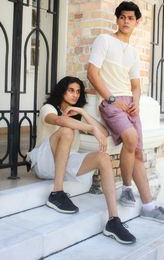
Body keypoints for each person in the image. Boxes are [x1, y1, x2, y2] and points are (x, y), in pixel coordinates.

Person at [87, 1, 164, 224]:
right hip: (111, 102)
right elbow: (92, 74)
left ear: (137, 22)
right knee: (131, 138)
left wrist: (135, 102)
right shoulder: (104, 41)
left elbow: (136, 85)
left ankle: (148, 205)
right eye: (122, 17)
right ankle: (126, 187)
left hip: (130, 104)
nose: (126, 21)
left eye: (130, 18)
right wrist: (112, 100)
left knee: (137, 152)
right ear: (117, 19)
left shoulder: (134, 52)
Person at [27, 76, 136, 244]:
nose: (75, 95)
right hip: (43, 162)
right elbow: (59, 120)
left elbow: (104, 132)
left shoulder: (76, 114)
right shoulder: (48, 108)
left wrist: (83, 112)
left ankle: (113, 220)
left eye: (78, 91)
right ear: (62, 91)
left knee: (103, 158)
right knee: (67, 130)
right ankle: (56, 193)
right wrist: (90, 128)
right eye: (71, 90)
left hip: (64, 162)